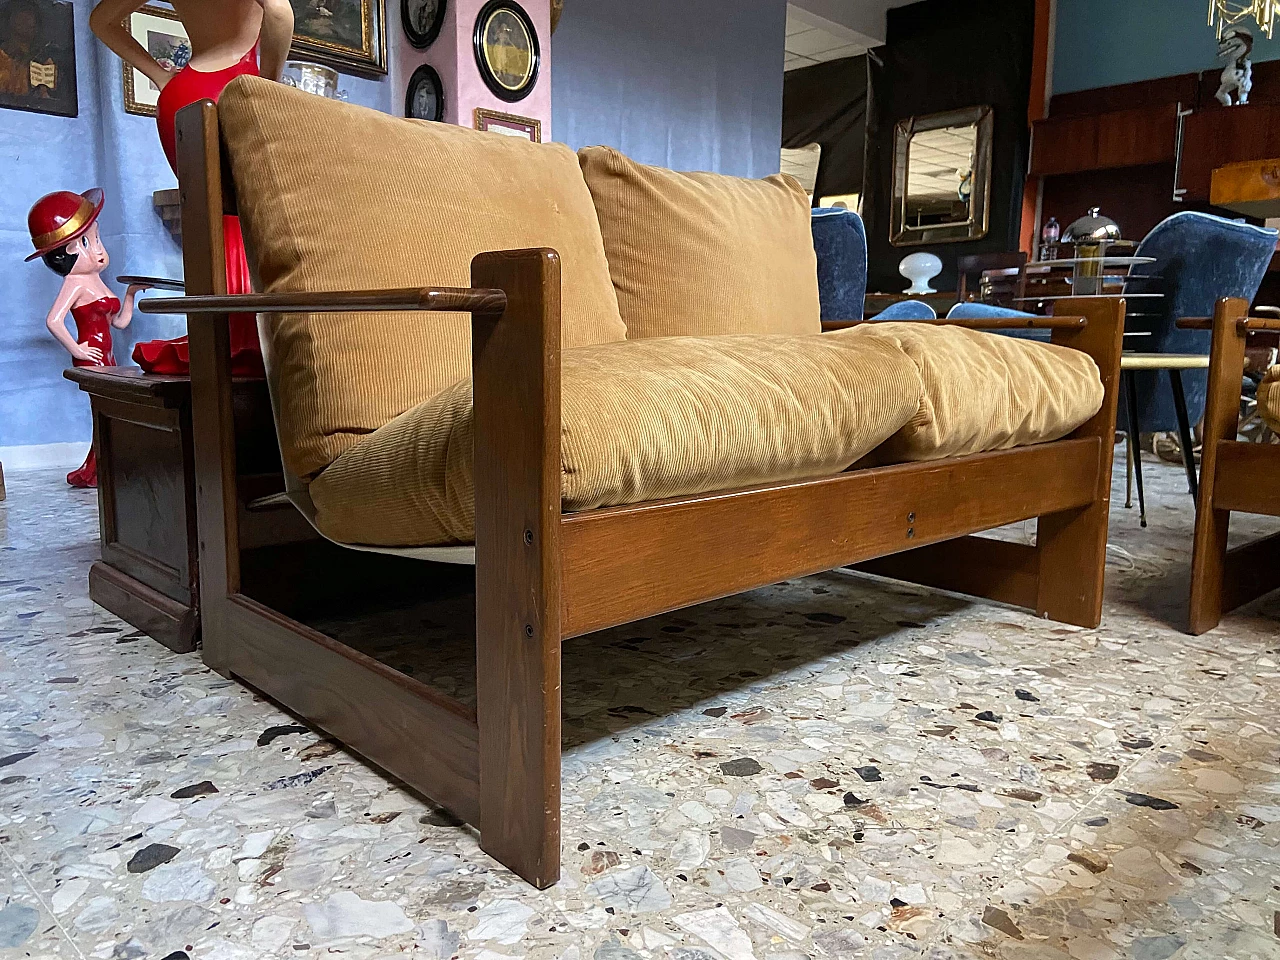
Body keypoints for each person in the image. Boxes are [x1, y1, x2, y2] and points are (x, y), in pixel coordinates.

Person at [89, 0, 294, 377]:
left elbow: (100, 20)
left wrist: (160, 76)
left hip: (182, 93)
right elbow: (280, 13)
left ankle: (215, 336)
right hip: (238, 86)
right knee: (243, 215)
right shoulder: (251, 88)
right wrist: (268, 85)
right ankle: (245, 334)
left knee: (210, 218)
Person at [25, 189, 150, 488]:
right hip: (92, 357)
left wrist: (130, 294)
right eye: (86, 242)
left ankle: (106, 466)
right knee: (105, 412)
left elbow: (119, 323)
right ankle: (98, 469)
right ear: (63, 255)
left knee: (111, 411)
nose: (98, 250)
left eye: (96, 239)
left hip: (107, 357)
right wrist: (78, 349)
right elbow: (53, 320)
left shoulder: (96, 281)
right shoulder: (75, 284)